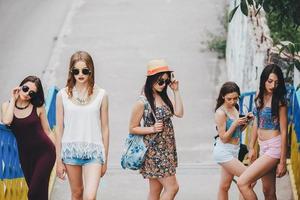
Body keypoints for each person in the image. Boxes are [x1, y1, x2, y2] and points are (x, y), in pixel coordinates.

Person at [55, 51, 109, 200]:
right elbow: (59, 129)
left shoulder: (102, 95)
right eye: (76, 71)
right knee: (77, 193)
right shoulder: (62, 95)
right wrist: (58, 161)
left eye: (85, 70)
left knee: (90, 196)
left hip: (94, 152)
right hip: (71, 151)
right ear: (71, 72)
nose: (80, 74)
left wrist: (105, 158)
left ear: (91, 71)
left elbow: (105, 128)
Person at [129, 59, 184, 200]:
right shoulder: (142, 102)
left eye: (166, 81)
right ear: (151, 80)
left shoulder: (163, 96)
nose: (163, 84)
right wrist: (152, 128)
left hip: (167, 149)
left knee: (155, 190)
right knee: (172, 187)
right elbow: (132, 128)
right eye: (160, 81)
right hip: (155, 152)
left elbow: (179, 113)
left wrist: (176, 91)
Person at [237, 64, 288, 199]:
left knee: (243, 182)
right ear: (264, 80)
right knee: (268, 191)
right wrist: (251, 146)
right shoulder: (259, 95)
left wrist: (282, 161)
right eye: (270, 81)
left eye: (276, 83)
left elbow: (284, 132)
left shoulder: (280, 102)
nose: (273, 86)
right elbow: (256, 123)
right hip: (263, 147)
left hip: (274, 148)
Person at [1, 75, 56, 200]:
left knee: (32, 194)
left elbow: (48, 131)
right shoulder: (7, 105)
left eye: (31, 93)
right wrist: (13, 99)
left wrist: (59, 155)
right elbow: (7, 120)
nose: (27, 94)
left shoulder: (37, 107)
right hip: (25, 156)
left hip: (45, 153)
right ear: (20, 86)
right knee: (40, 194)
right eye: (25, 88)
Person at [213, 81, 253, 199]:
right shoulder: (220, 113)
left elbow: (238, 133)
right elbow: (224, 138)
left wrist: (247, 121)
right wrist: (235, 124)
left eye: (235, 98)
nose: (232, 102)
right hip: (224, 151)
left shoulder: (235, 107)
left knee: (224, 186)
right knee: (248, 179)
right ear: (223, 97)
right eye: (229, 99)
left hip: (235, 150)